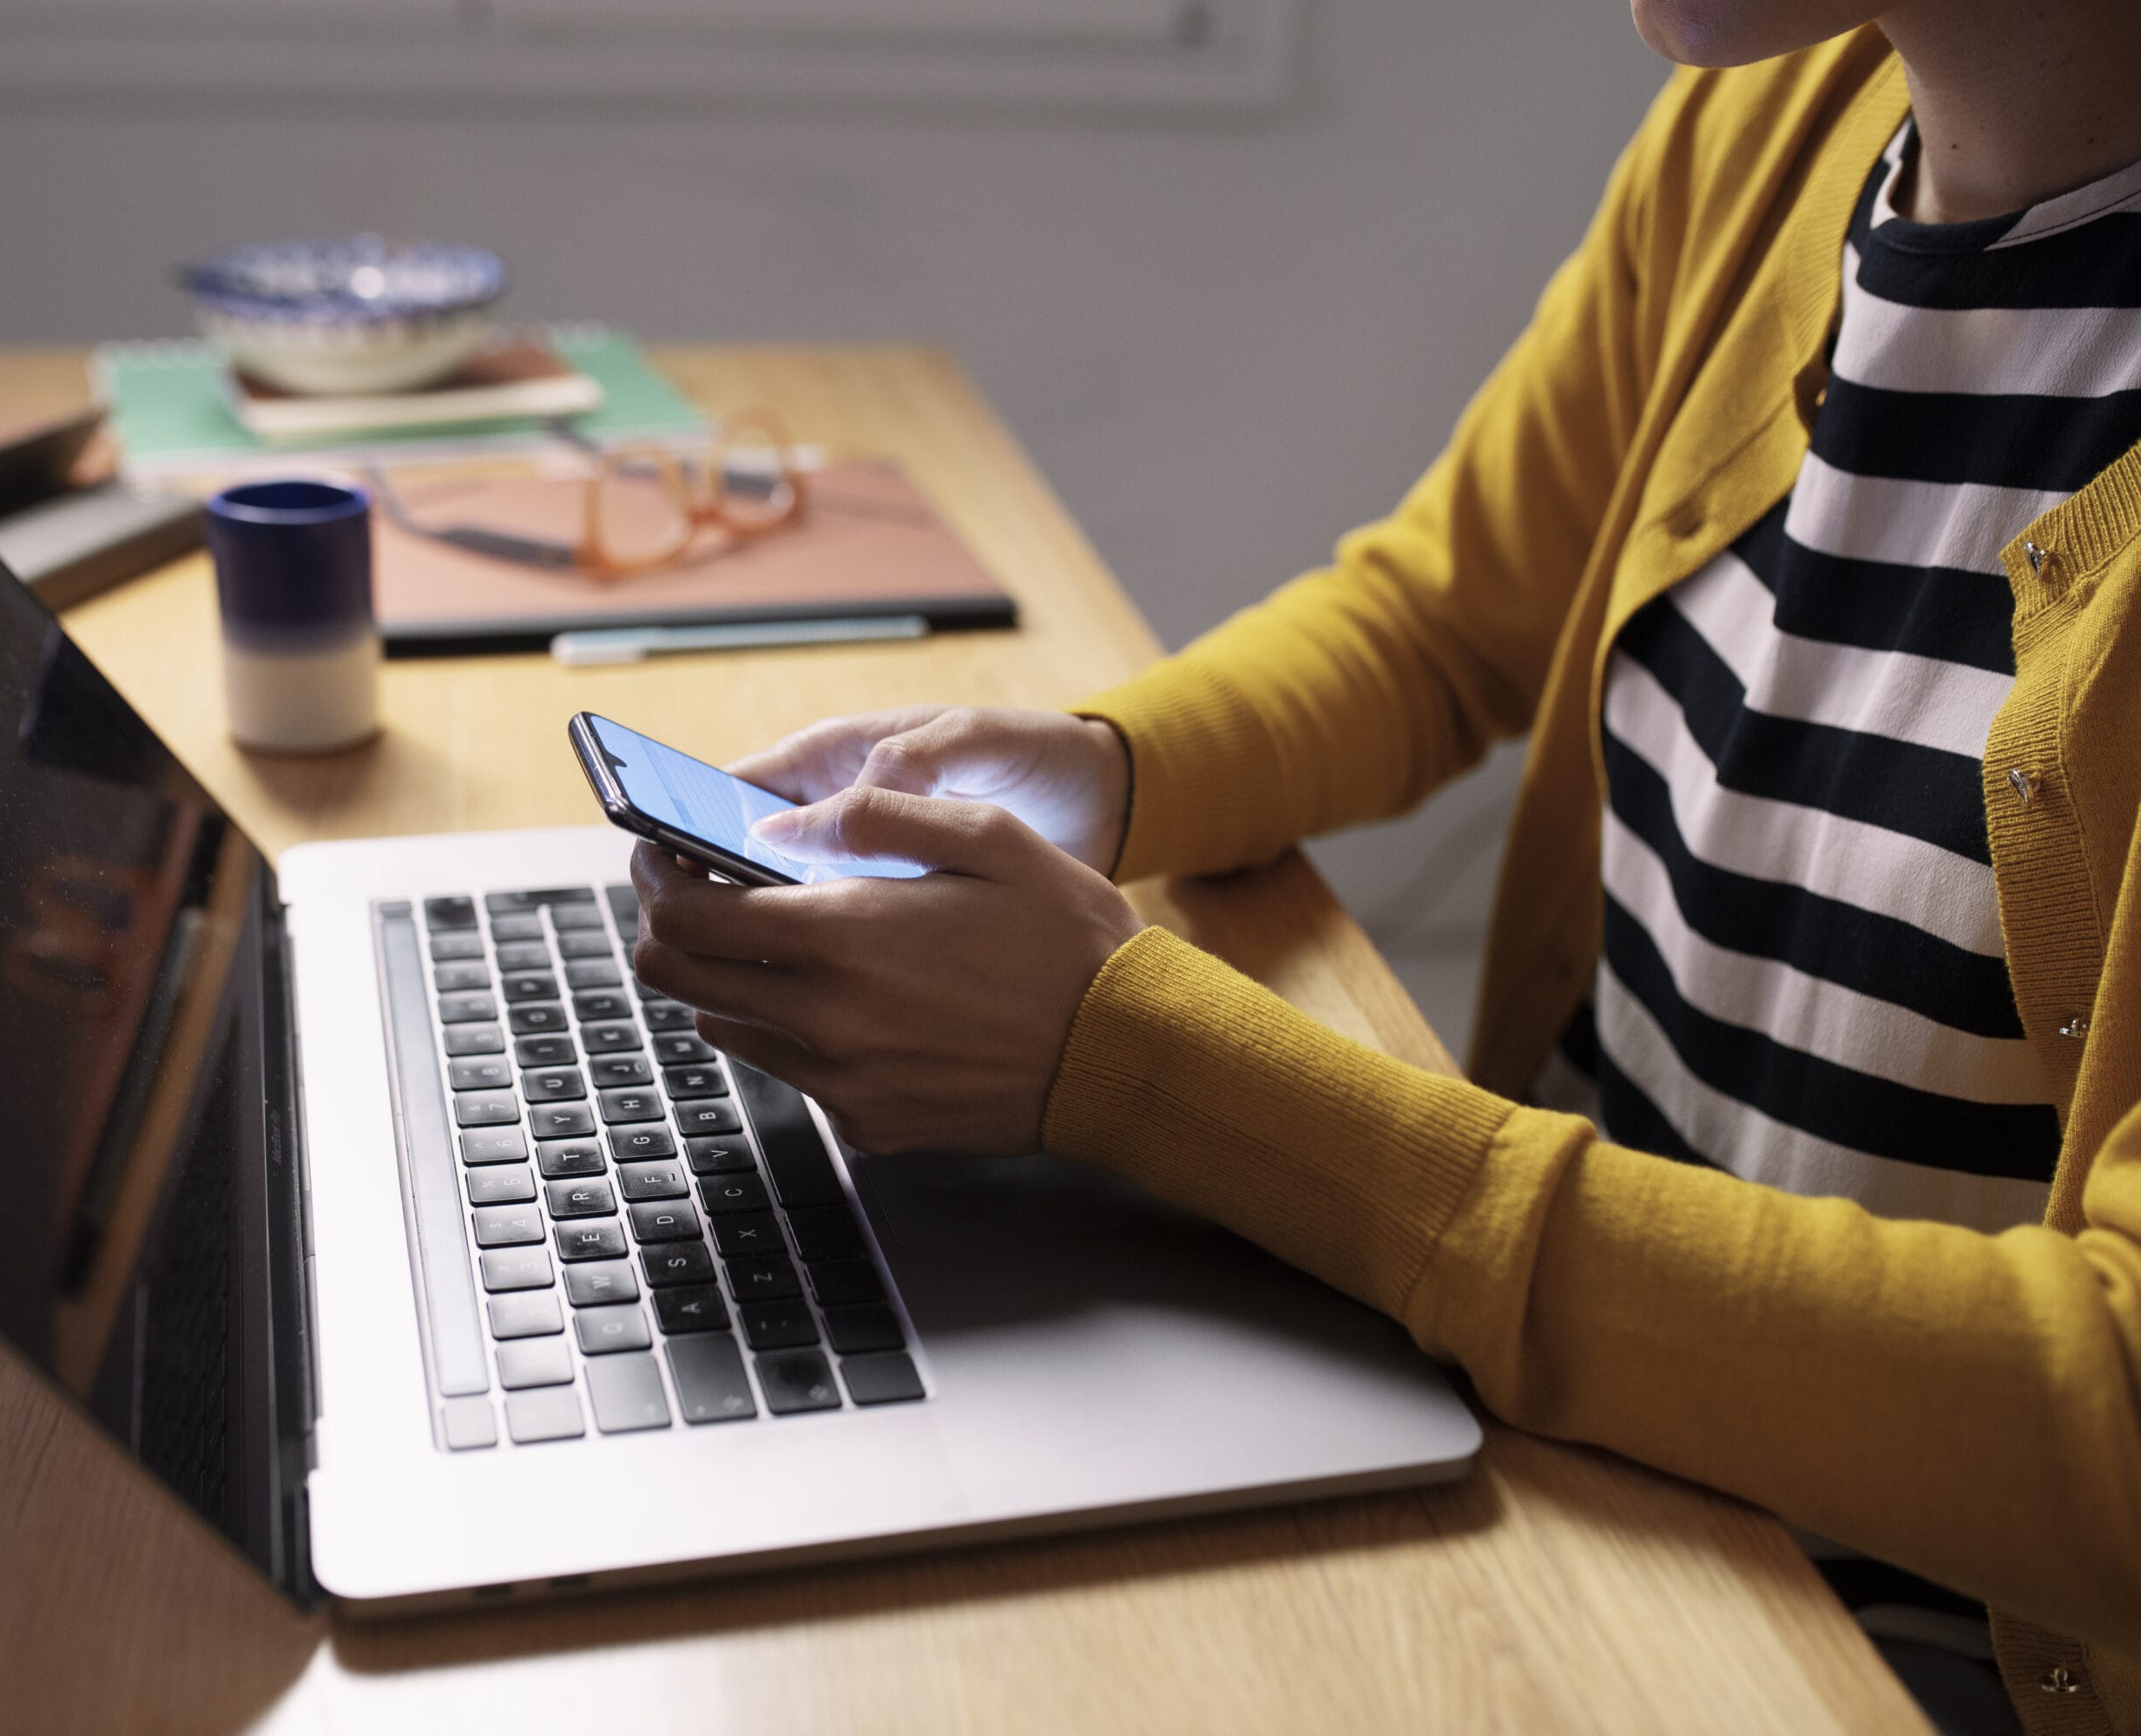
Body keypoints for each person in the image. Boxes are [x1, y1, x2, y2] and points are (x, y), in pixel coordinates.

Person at [627, 5, 2141, 1733]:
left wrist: (1141, 1065)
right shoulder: (1778, 132)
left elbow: (2110, 1422)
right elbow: (1438, 620)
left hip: (1911, 1651)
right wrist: (1105, 771)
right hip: (1580, 1452)